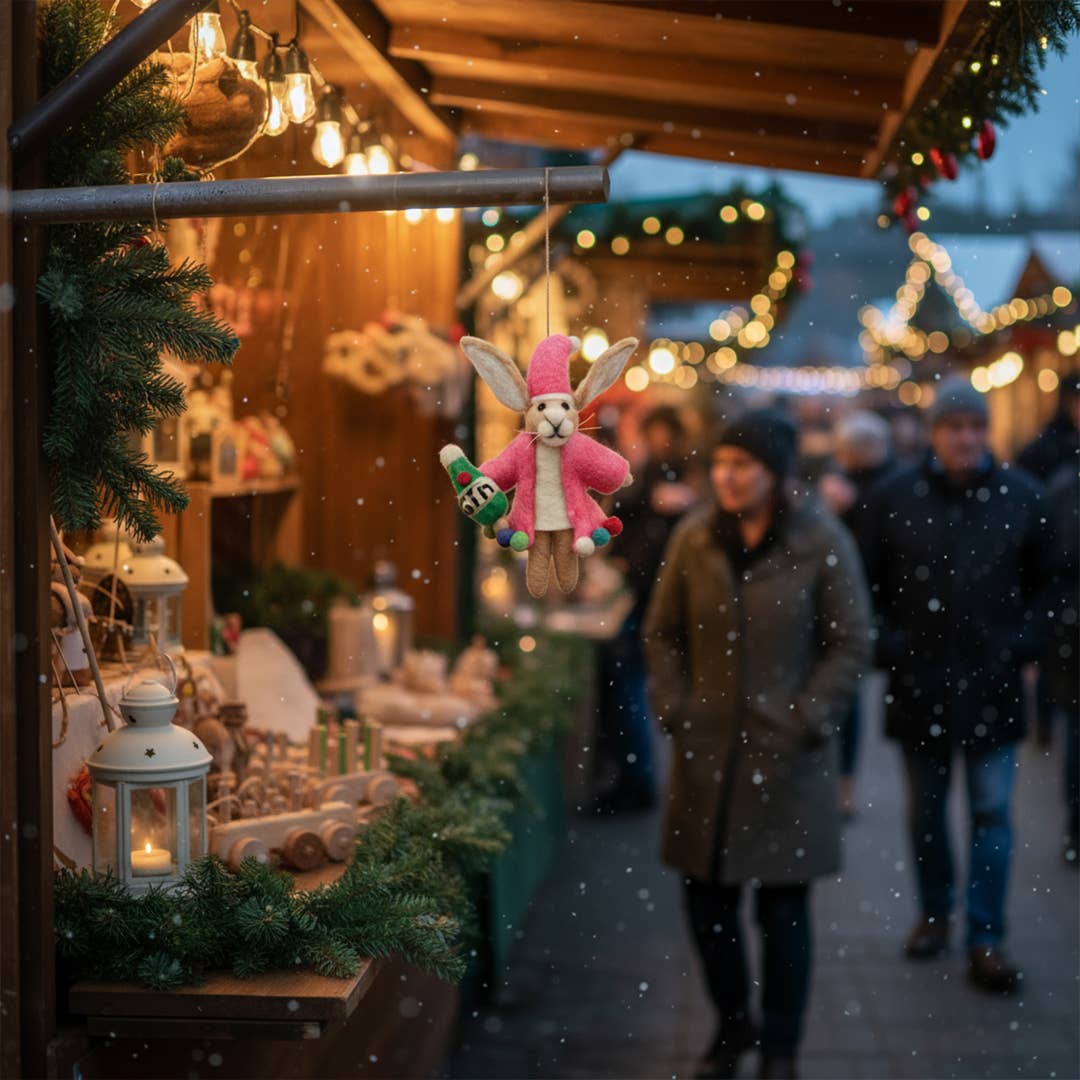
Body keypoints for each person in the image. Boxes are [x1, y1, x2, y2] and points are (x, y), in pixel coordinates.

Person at [645, 409, 870, 1080]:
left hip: (788, 760)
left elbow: (851, 643)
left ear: (775, 474)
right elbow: (661, 634)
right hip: (706, 756)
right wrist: (676, 707)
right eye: (720, 464)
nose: (728, 477)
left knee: (783, 912)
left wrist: (806, 717)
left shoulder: (821, 541)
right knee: (707, 906)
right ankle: (730, 1028)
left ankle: (780, 1048)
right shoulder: (694, 539)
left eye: (743, 465)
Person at [858, 378, 1051, 994]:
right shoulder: (894, 497)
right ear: (934, 432)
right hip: (922, 684)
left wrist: (1019, 646)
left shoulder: (1022, 496)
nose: (966, 438)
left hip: (992, 684)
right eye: (954, 427)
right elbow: (867, 587)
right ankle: (936, 914)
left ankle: (986, 935)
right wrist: (891, 646)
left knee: (992, 812)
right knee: (927, 813)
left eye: (975, 426)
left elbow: (1049, 589)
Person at [592, 406, 700, 814]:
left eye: (661, 433)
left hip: (654, 594)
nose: (657, 441)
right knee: (627, 683)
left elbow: (639, 527)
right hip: (643, 589)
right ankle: (630, 774)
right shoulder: (652, 470)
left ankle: (635, 780)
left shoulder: (682, 476)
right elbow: (623, 517)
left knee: (628, 684)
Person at [819, 410, 898, 817]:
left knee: (845, 696)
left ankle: (843, 782)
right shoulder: (839, 482)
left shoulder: (888, 486)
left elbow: (875, 546)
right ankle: (838, 781)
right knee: (842, 695)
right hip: (848, 600)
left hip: (866, 602)